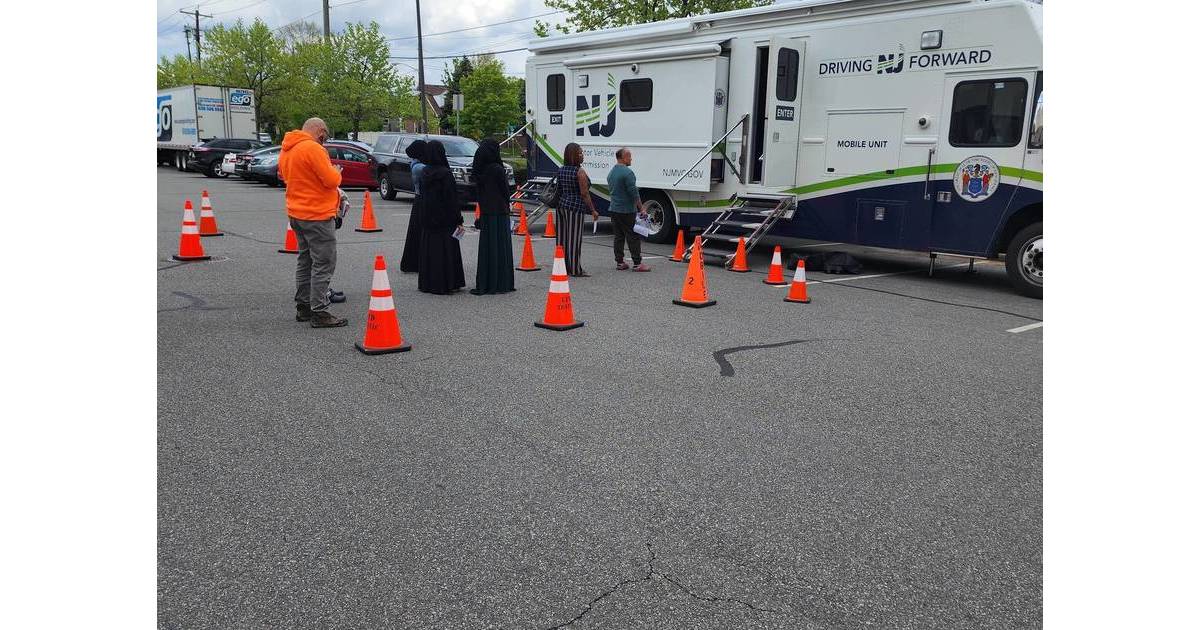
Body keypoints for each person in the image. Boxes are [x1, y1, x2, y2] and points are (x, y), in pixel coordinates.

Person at [278, 117, 347, 327]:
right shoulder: (313, 148)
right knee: (323, 263)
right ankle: (320, 312)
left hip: (297, 213)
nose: (324, 140)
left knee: (305, 261)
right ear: (320, 132)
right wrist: (336, 171)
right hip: (317, 214)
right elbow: (331, 180)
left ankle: (304, 307)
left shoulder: (288, 148)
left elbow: (285, 176)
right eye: (324, 136)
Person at [417, 140, 466, 294]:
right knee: (446, 251)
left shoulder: (424, 172)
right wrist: (458, 219)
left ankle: (429, 283)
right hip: (445, 220)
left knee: (430, 251)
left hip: (428, 217)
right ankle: (448, 282)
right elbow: (451, 199)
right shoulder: (445, 174)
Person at [469, 139, 516, 295]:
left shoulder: (479, 170)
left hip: (487, 211)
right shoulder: (497, 169)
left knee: (488, 248)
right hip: (500, 211)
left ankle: (486, 281)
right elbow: (505, 191)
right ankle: (502, 282)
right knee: (501, 247)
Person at [555, 143, 599, 277]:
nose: (582, 155)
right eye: (580, 153)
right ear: (573, 155)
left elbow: (559, 189)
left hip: (561, 205)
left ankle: (561, 267)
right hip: (575, 207)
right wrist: (593, 210)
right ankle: (575, 269)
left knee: (561, 239)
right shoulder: (580, 172)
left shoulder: (561, 170)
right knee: (574, 239)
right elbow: (584, 193)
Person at [606, 147, 650, 272]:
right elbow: (634, 193)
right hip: (626, 210)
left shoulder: (612, 172)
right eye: (629, 156)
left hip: (614, 208)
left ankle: (620, 262)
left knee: (618, 236)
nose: (631, 159)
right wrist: (641, 209)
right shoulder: (627, 173)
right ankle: (637, 263)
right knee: (633, 236)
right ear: (623, 158)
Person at [398, 139, 428, 273]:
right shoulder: (419, 167)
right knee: (419, 232)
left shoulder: (416, 164)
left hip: (419, 200)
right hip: (422, 200)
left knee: (416, 232)